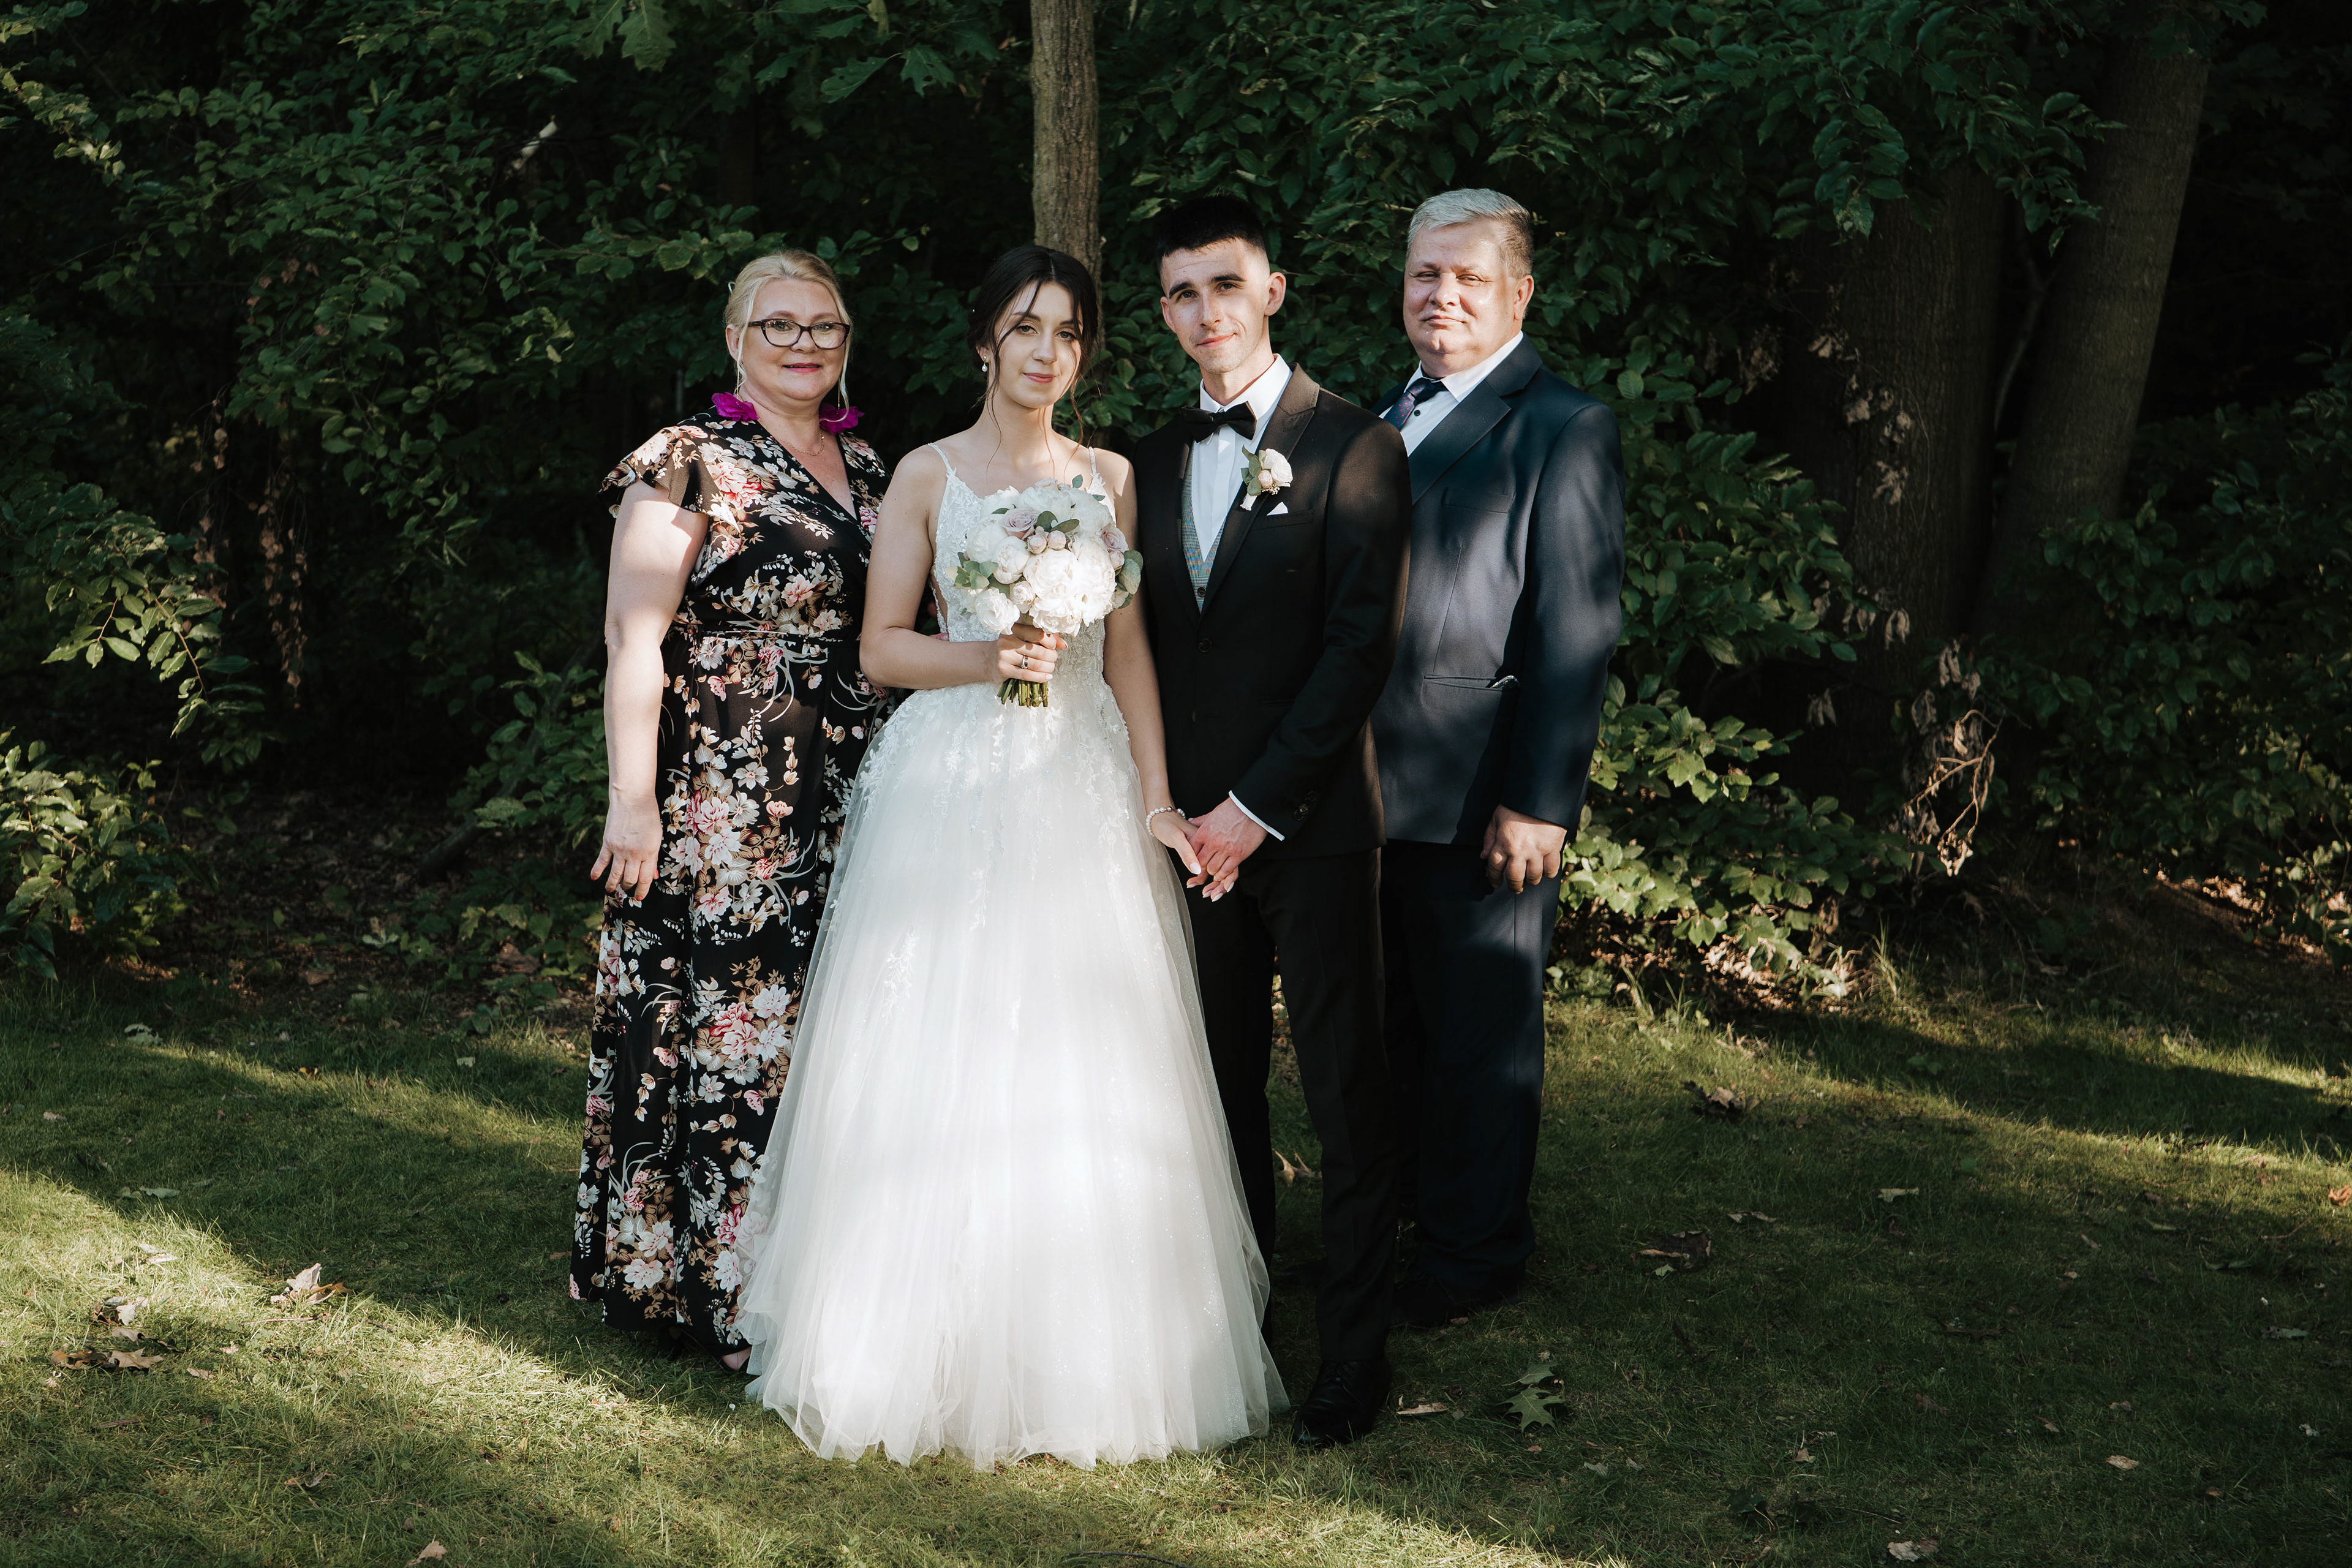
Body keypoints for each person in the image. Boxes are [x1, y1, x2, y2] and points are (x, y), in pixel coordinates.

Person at [731, 246, 1284, 1469]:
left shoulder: (1110, 476)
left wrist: (1155, 799)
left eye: (1070, 334)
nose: (1047, 352)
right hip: (954, 775)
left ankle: (1086, 1352)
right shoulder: (928, 474)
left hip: (1079, 774)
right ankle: (913, 1341)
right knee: (945, 1032)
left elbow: (1128, 652)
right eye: (1027, 328)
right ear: (985, 340)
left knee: (1086, 1045)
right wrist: (993, 656)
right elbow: (883, 647)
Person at [571, 249, 891, 1370]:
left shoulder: (870, 462)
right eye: (778, 325)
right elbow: (633, 637)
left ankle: (818, 1282)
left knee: (824, 1025)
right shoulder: (686, 460)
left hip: (851, 779)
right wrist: (632, 800)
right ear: (733, 341)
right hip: (725, 790)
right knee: (728, 1027)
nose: (805, 345)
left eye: (825, 326)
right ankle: (711, 1291)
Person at [1129, 196, 1412, 1448]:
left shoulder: (1357, 447)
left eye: (1226, 286)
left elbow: (1360, 652)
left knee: (1346, 1095)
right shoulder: (1141, 462)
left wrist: (1255, 809)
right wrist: (1181, 810)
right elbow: (1144, 646)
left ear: (1274, 290)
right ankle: (1233, 1329)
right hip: (1189, 836)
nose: (1207, 313)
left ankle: (1353, 1356)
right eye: (1182, 293)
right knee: (1217, 1084)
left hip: (1313, 826)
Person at [1368, 189, 1626, 1327]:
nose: (1444, 296)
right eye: (1427, 275)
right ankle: (1398, 1219)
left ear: (1519, 294)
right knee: (1392, 1031)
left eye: (1470, 277)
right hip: (1368, 787)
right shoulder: (1381, 413)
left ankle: (1474, 1256)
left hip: (1485, 795)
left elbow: (1577, 626)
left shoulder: (1562, 424)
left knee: (1479, 1036)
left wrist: (1539, 800)